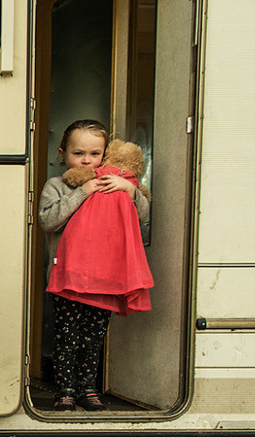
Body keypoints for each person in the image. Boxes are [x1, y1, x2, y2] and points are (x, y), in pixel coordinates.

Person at [38, 119, 151, 412]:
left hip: (104, 278)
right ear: (62, 154)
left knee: (93, 337)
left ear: (105, 156)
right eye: (78, 153)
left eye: (95, 154)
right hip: (67, 278)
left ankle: (88, 390)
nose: (86, 160)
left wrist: (129, 188)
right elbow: (48, 221)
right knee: (67, 335)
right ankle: (64, 391)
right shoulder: (57, 185)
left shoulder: (113, 183)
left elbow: (142, 215)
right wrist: (83, 191)